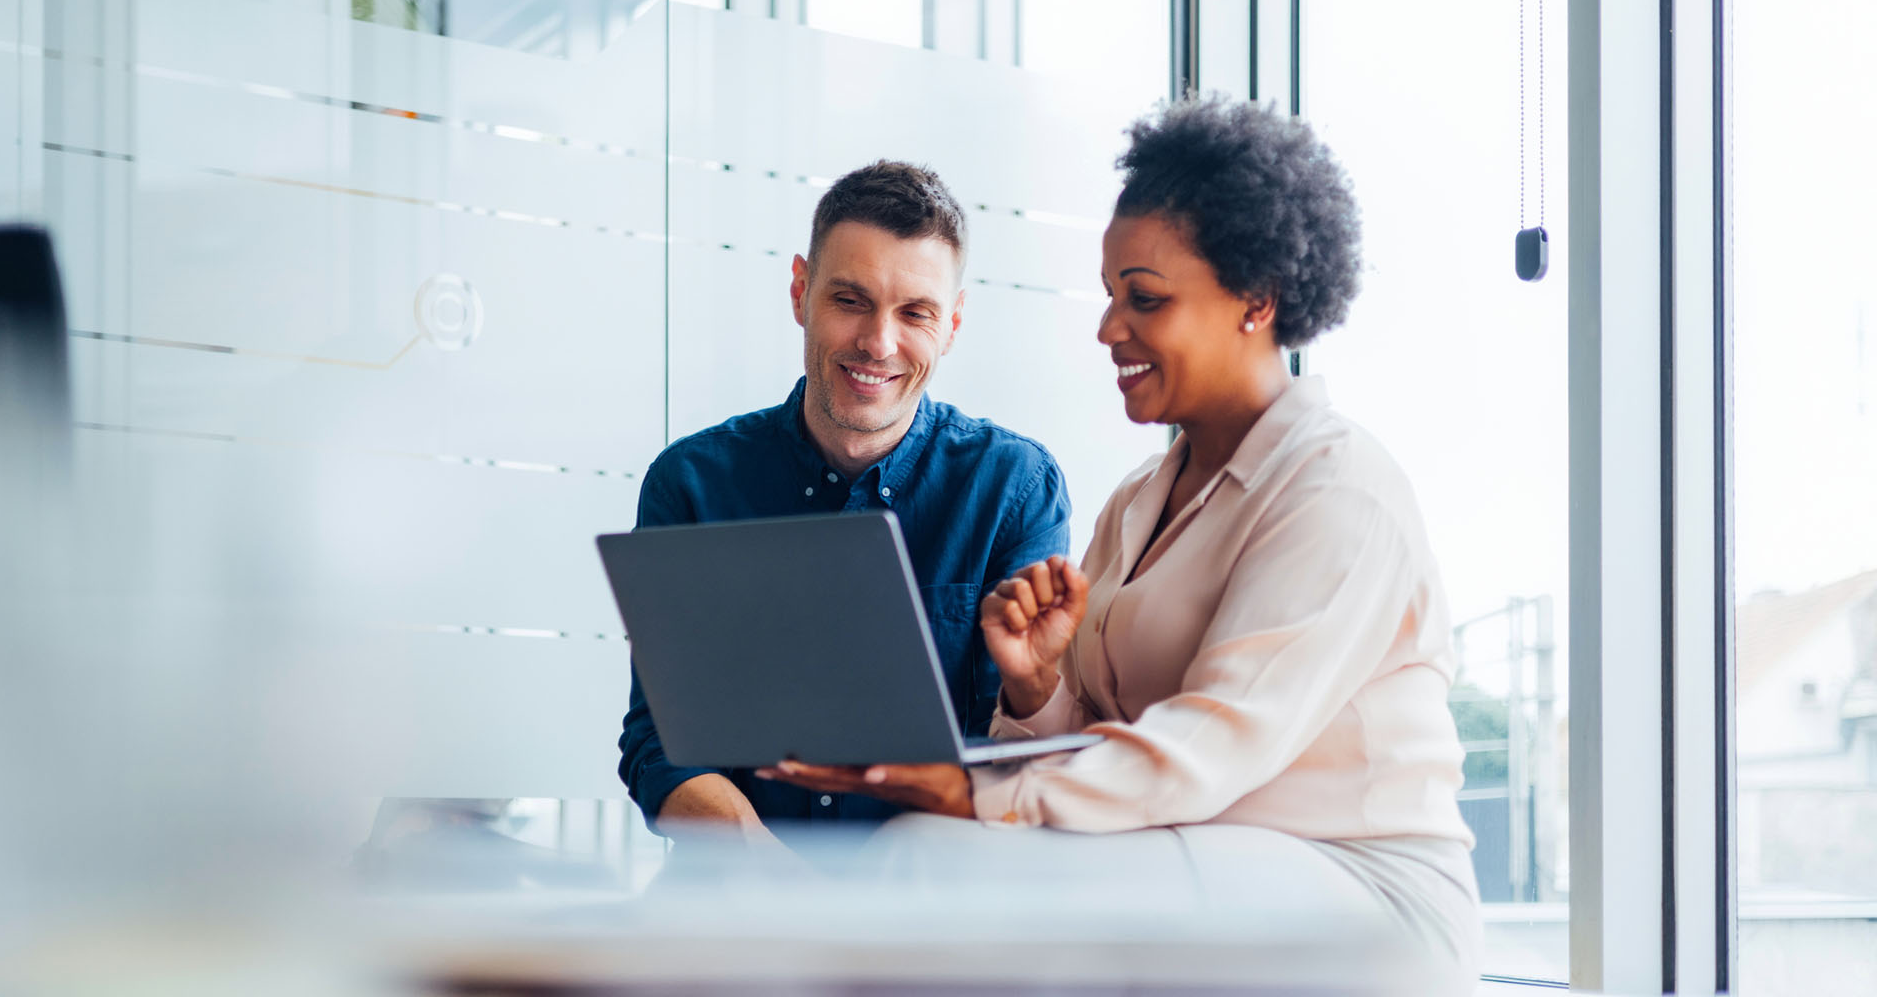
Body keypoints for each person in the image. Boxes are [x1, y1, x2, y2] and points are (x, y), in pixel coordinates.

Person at [761, 99, 1481, 983]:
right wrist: (1034, 686)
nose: (1109, 329)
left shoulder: (1340, 492)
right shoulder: (1141, 498)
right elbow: (1098, 733)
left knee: (934, 858)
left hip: (1359, 892)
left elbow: (1211, 743)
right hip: (1202, 854)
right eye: (1110, 297)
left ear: (1257, 300)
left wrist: (975, 791)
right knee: (930, 853)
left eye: (1145, 299)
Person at [618, 160, 1072, 851]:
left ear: (951, 323)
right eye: (850, 300)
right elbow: (659, 742)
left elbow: (1021, 763)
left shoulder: (1014, 488)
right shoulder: (691, 484)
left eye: (915, 313)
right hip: (736, 903)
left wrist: (1037, 683)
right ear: (800, 291)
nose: (878, 343)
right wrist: (759, 865)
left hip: (935, 904)